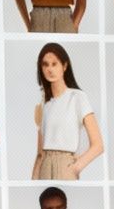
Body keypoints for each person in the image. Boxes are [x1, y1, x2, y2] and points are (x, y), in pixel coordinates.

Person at [31, 43, 101, 180]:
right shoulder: (43, 104)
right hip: (44, 167)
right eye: (45, 64)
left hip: (65, 166)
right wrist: (33, 181)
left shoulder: (77, 97)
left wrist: (75, 168)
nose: (49, 69)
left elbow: (98, 145)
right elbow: (40, 153)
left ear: (64, 66)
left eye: (54, 64)